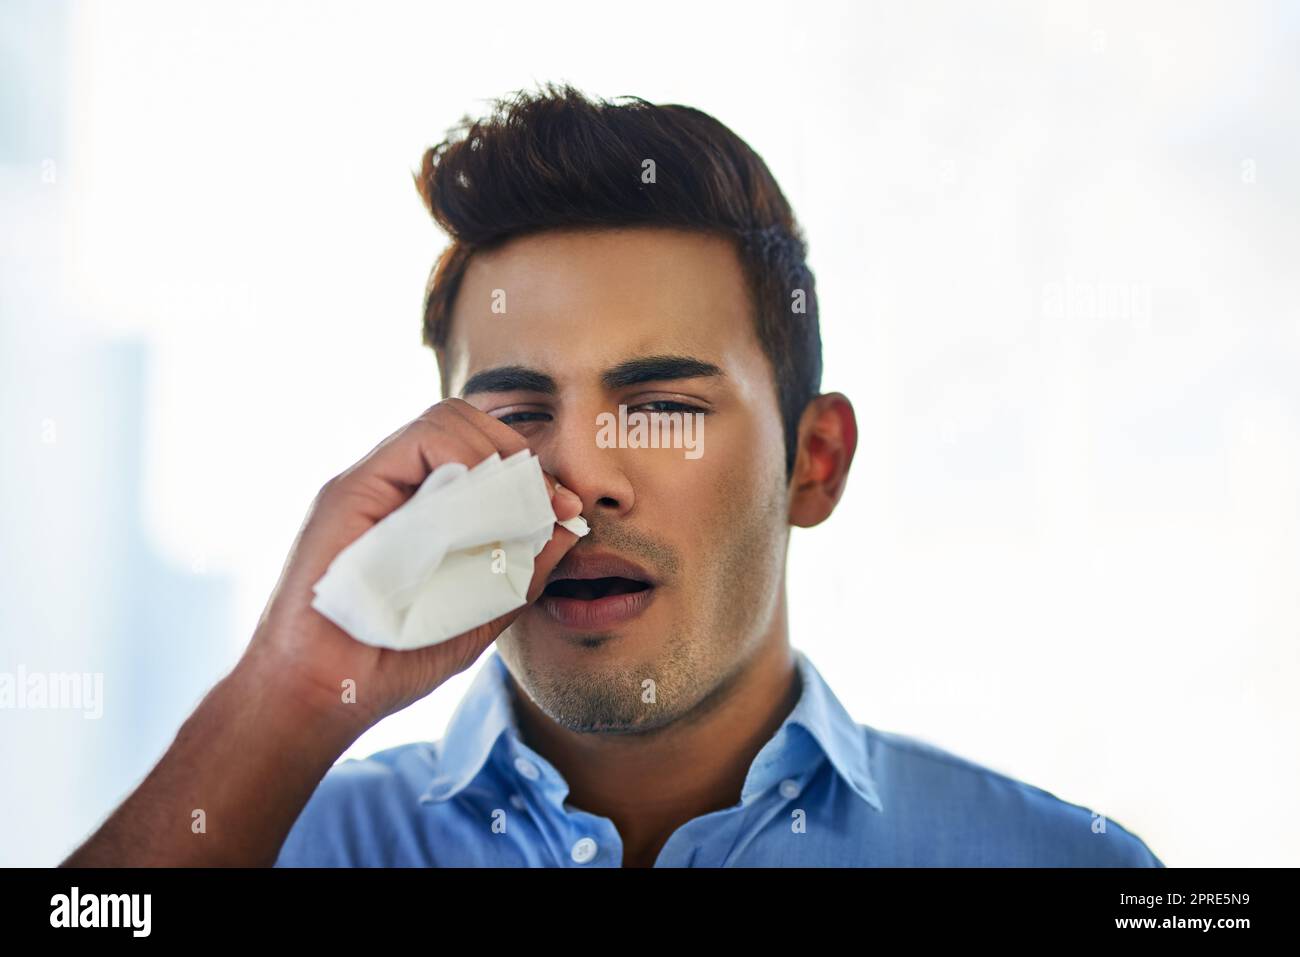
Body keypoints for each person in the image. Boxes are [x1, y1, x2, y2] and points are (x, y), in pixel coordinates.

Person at [61, 82, 1163, 868]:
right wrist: (287, 696)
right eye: (519, 413)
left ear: (813, 465)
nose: (579, 477)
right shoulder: (271, 843)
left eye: (661, 409)